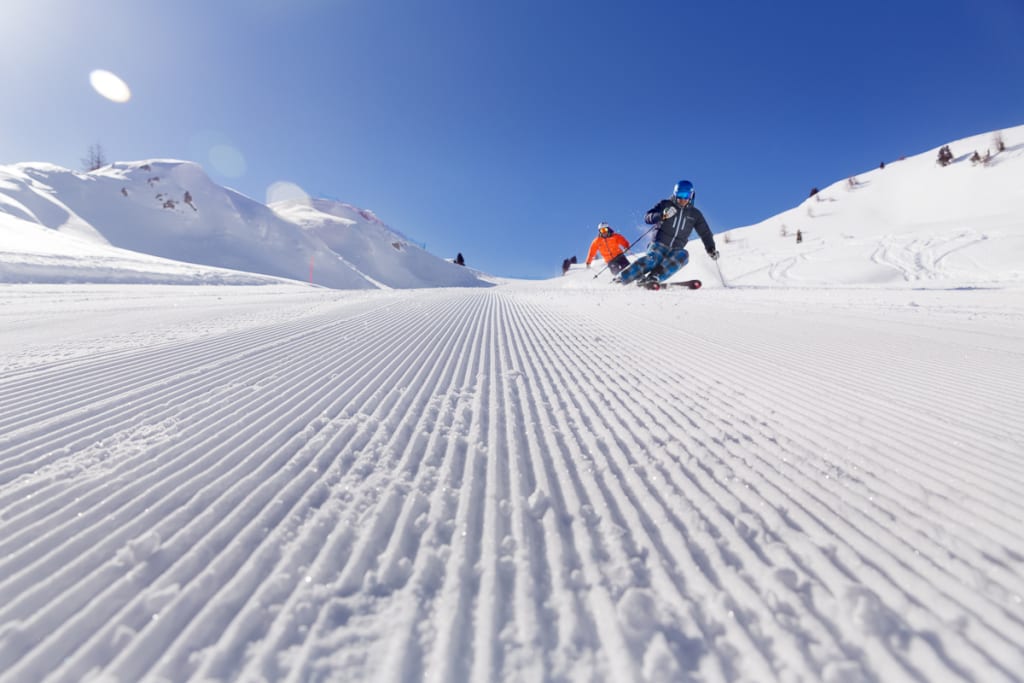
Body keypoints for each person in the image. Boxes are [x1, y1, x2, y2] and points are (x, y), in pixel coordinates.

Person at [616, 180, 718, 285]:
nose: (683, 199)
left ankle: (654, 277)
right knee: (653, 259)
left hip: (676, 249)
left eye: (686, 195)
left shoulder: (695, 214)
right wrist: (661, 215)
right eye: (680, 195)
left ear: (691, 196)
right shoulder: (665, 204)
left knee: (684, 256)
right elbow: (647, 217)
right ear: (675, 194)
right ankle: (622, 278)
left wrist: (711, 248)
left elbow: (705, 233)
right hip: (659, 244)